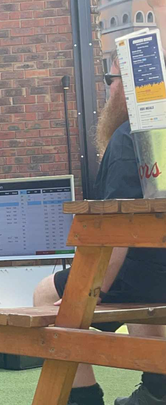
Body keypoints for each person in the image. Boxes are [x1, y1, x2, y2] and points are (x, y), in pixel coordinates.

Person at [32, 51, 166, 405]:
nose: (109, 90)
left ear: (129, 87)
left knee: (46, 293)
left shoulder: (128, 137)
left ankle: (83, 398)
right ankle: (158, 389)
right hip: (157, 270)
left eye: (111, 80)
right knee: (143, 285)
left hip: (150, 274)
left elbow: (116, 226)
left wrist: (95, 288)